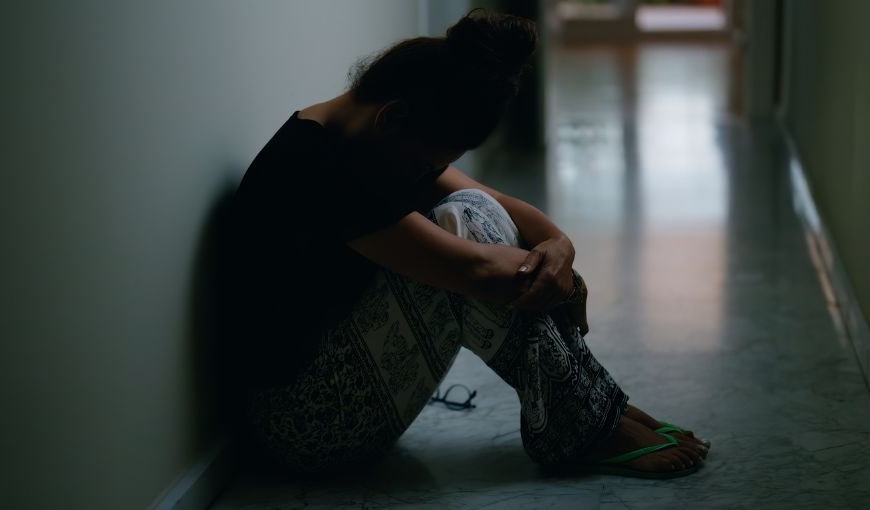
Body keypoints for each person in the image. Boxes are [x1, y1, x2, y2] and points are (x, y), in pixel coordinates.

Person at [217, 8, 710, 479]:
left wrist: (560, 247)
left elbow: (500, 203)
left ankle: (594, 409)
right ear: (391, 118)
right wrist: (564, 282)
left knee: (478, 211)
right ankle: (589, 422)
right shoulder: (325, 169)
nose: (424, 175)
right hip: (310, 425)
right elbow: (480, 271)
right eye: (424, 163)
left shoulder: (362, 137)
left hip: (338, 390)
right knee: (471, 228)